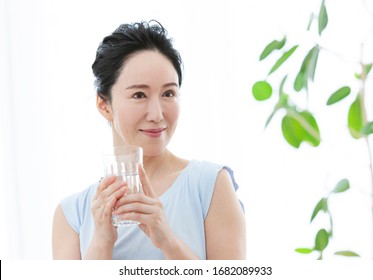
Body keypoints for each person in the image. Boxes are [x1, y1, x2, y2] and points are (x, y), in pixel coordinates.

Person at [52, 20, 245, 260]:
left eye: (168, 93)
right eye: (139, 95)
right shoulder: (72, 214)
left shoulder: (210, 185)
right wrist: (102, 242)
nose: (157, 114)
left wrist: (167, 240)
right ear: (104, 105)